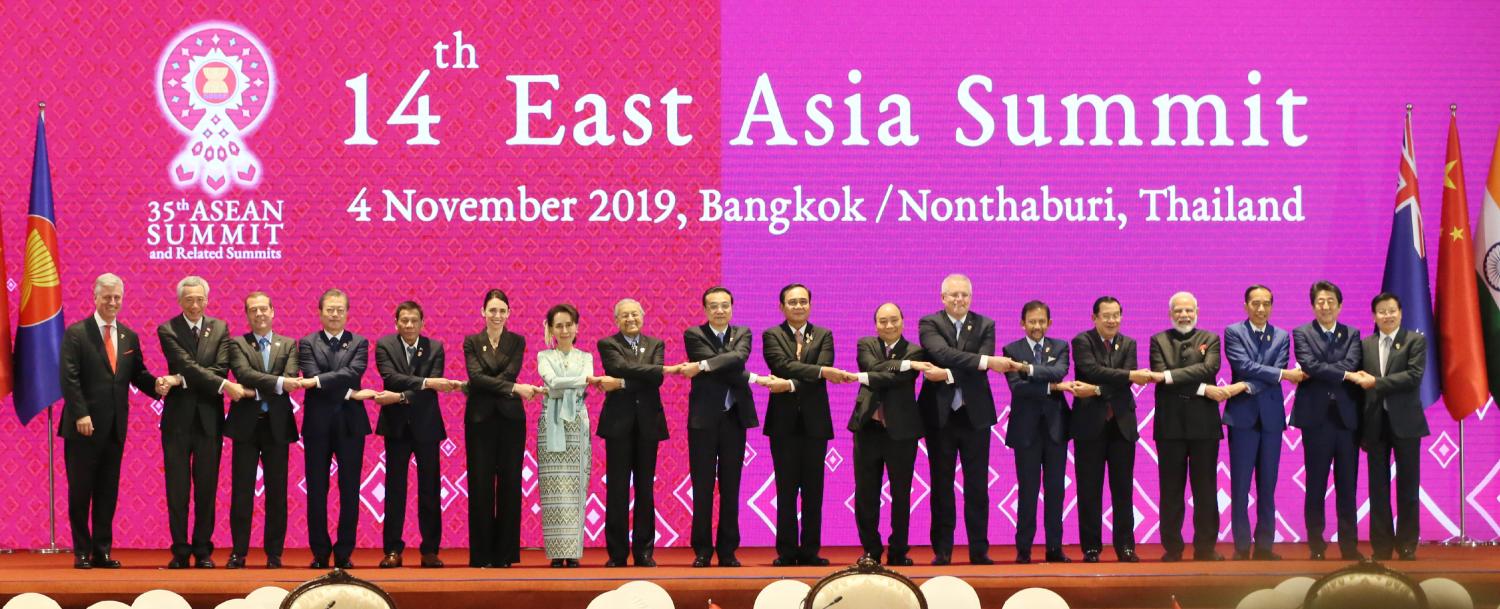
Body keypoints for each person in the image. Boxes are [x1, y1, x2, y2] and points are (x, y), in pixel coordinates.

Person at [59, 273, 168, 569]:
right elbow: (69, 378)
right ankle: (81, 551)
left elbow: (139, 374)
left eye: (117, 297)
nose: (112, 302)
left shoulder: (128, 336)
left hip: (114, 428)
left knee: (108, 491)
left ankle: (101, 551)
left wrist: (158, 385)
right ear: (95, 298)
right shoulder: (77, 333)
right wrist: (81, 413)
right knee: (81, 491)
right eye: (107, 296)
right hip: (82, 426)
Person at [918, 273, 1019, 566]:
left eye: (964, 295)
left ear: (971, 297)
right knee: (941, 483)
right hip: (940, 416)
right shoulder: (929, 323)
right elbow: (940, 353)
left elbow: (974, 364)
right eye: (954, 295)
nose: (959, 299)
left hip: (975, 416)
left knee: (977, 485)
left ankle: (979, 549)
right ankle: (943, 549)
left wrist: (949, 372)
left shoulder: (986, 324)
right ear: (943, 298)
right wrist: (982, 361)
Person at [761, 284, 855, 567]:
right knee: (786, 490)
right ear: (782, 307)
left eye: (803, 301)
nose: (798, 306)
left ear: (810, 305)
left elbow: (819, 369)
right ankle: (787, 552)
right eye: (792, 302)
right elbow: (782, 364)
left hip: (815, 422)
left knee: (814, 491)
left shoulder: (824, 334)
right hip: (783, 424)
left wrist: (793, 382)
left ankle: (810, 551)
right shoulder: (772, 335)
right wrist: (818, 372)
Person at [155, 276, 246, 569]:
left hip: (209, 420)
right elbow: (186, 365)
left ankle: (203, 550)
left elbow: (220, 367)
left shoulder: (219, 327)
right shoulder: (167, 329)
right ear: (180, 301)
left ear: (207, 300)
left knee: (207, 489)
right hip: (177, 422)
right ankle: (180, 551)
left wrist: (181, 379)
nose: (195, 305)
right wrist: (221, 385)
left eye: (200, 300)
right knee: (177, 490)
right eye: (189, 300)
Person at [680, 286, 773, 568]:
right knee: (703, 486)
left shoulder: (743, 332)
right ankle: (702, 550)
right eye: (713, 306)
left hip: (735, 418)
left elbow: (737, 358)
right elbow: (731, 363)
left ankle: (728, 550)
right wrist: (750, 375)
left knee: (731, 486)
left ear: (732, 307)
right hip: (703, 421)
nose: (720, 310)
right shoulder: (693, 334)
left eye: (724, 305)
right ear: (705, 309)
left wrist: (703, 366)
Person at [850, 303, 944, 566]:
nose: (888, 326)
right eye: (882, 321)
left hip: (902, 431)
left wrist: (880, 373)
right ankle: (870, 550)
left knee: (901, 493)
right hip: (868, 427)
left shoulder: (916, 350)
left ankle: (899, 549)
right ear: (875, 324)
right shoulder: (865, 344)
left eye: (893, 320)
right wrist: (900, 367)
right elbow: (870, 367)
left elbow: (890, 378)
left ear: (903, 321)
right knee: (866, 493)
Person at [374, 301, 461, 568]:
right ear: (396, 322)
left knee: (430, 489)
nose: (409, 325)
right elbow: (390, 377)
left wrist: (400, 396)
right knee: (395, 490)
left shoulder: (435, 347)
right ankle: (392, 550)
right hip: (396, 427)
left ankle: (430, 550)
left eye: (414, 320)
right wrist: (424, 383)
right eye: (404, 320)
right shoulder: (385, 345)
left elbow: (427, 390)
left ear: (423, 323)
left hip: (427, 425)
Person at [299, 288, 380, 569]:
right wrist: (348, 393)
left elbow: (353, 373)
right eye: (329, 309)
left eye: (340, 310)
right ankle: (320, 552)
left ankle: (344, 551)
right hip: (317, 425)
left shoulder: (359, 342)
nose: (334, 314)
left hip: (350, 425)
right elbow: (310, 376)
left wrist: (323, 382)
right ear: (320, 312)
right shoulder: (307, 342)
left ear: (347, 313)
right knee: (317, 490)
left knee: (349, 490)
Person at [1221, 285, 1303, 561]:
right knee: (1240, 485)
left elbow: (1265, 372)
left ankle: (1265, 545)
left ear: (1272, 306)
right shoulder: (1233, 332)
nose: (1260, 308)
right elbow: (1242, 365)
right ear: (1245, 305)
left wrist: (1249, 384)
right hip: (1242, 417)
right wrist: (1281, 374)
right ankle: (1242, 546)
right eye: (1255, 303)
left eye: (1266, 303)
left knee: (1268, 485)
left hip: (1270, 418)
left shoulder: (1281, 335)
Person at [463, 289, 543, 568]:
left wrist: (495, 382)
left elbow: (505, 372)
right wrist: (512, 388)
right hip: (479, 419)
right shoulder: (471, 341)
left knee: (510, 484)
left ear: (508, 314)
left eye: (502, 311)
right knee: (480, 484)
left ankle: (505, 554)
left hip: (511, 419)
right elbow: (475, 377)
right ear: (483, 312)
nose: (497, 315)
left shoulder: (517, 341)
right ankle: (482, 555)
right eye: (492, 310)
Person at [224, 291, 303, 569]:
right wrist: (278, 385)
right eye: (253, 310)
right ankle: (239, 552)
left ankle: (274, 554)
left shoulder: (290, 344)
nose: (259, 314)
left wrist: (257, 391)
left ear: (273, 312)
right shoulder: (236, 344)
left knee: (277, 493)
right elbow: (242, 375)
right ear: (247, 315)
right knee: (241, 492)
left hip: (277, 427)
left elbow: (292, 378)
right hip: (246, 426)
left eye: (263, 309)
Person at [596, 298, 675, 568]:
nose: (630, 319)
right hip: (618, 425)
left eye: (635, 314)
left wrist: (621, 383)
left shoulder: (655, 344)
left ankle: (644, 552)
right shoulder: (608, 344)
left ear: (643, 316)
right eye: (624, 315)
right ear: (616, 320)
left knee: (645, 489)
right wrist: (644, 373)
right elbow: (616, 367)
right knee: (617, 490)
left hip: (648, 424)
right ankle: (617, 554)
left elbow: (658, 378)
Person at [1147, 291, 1225, 562]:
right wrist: (1203, 389)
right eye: (1179, 311)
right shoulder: (1158, 340)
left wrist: (1169, 376)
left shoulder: (1211, 339)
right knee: (1171, 490)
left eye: (1189, 310)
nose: (1184, 315)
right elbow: (1158, 375)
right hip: (1170, 425)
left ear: (1197, 311)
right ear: (1171, 314)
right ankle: (1173, 548)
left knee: (1205, 489)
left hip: (1204, 424)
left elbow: (1209, 368)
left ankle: (1205, 548)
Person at [535, 304, 615, 568]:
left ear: (577, 327)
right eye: (558, 325)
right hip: (551, 424)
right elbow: (554, 381)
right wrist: (573, 382)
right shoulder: (543, 355)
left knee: (576, 489)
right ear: (551, 329)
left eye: (569, 324)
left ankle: (574, 550)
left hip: (578, 424)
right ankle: (557, 553)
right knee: (552, 490)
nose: (564, 329)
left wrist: (563, 383)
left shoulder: (586, 356)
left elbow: (576, 381)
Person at [1291, 281, 1364, 561]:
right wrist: (1344, 374)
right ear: (1313, 305)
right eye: (1320, 301)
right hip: (1316, 419)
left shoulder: (1352, 333)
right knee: (1316, 484)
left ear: (1340, 305)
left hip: (1346, 419)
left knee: (1348, 484)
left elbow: (1353, 361)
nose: (1325, 306)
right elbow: (1309, 364)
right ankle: (1316, 545)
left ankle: (1349, 545)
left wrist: (1334, 371)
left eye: (1331, 300)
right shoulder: (1302, 333)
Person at [1355, 293, 1428, 561]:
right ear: (1374, 316)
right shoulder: (1365, 345)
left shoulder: (1415, 341)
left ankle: (1407, 544)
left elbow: (1414, 376)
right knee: (1377, 488)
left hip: (1406, 423)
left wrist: (1376, 382)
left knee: (1408, 487)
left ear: (1401, 313)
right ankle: (1382, 546)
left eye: (1392, 310)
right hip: (1375, 423)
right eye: (1381, 311)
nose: (1387, 315)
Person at [1070, 296, 1143, 563]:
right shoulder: (1082, 341)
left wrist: (1099, 388)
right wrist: (1125, 377)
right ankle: (1091, 547)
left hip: (1122, 424)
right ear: (1095, 318)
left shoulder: (1129, 343)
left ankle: (1125, 546)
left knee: (1123, 489)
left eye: (1116, 315)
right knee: (1089, 489)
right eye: (1106, 316)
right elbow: (1092, 370)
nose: (1112, 320)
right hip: (1090, 424)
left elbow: (1124, 379)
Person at [1001, 300, 1074, 564]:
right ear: (1023, 323)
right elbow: (1017, 388)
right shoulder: (1011, 349)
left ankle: (1054, 547)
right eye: (1032, 321)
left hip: (1056, 429)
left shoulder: (1061, 346)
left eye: (1042, 321)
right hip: (1025, 430)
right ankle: (1024, 549)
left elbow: (1059, 371)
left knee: (1056, 490)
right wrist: (1052, 388)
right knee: (1027, 491)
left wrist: (1027, 369)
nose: (1037, 326)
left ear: (1049, 323)